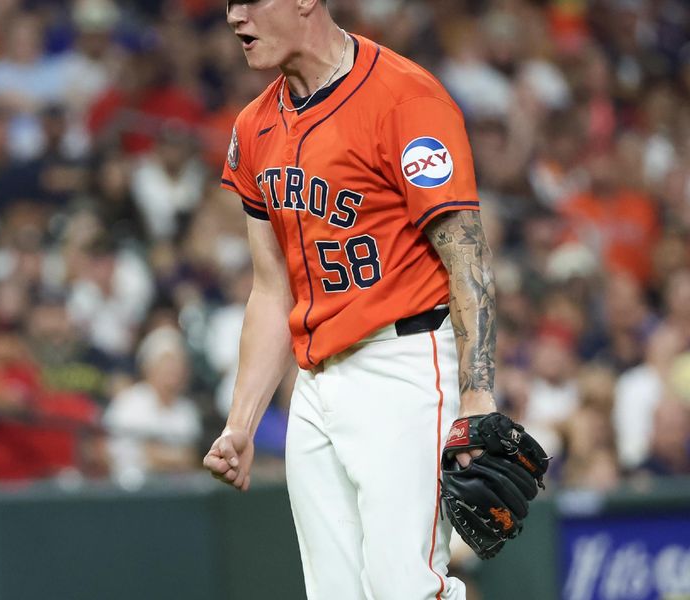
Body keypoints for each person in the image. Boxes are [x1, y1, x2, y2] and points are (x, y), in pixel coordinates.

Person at [203, 2, 496, 599]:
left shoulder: (405, 98)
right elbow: (270, 288)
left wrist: (477, 396)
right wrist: (242, 422)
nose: (235, 17)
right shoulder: (253, 127)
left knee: (406, 588)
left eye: (249, 0)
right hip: (315, 384)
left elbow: (466, 257)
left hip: (405, 363)